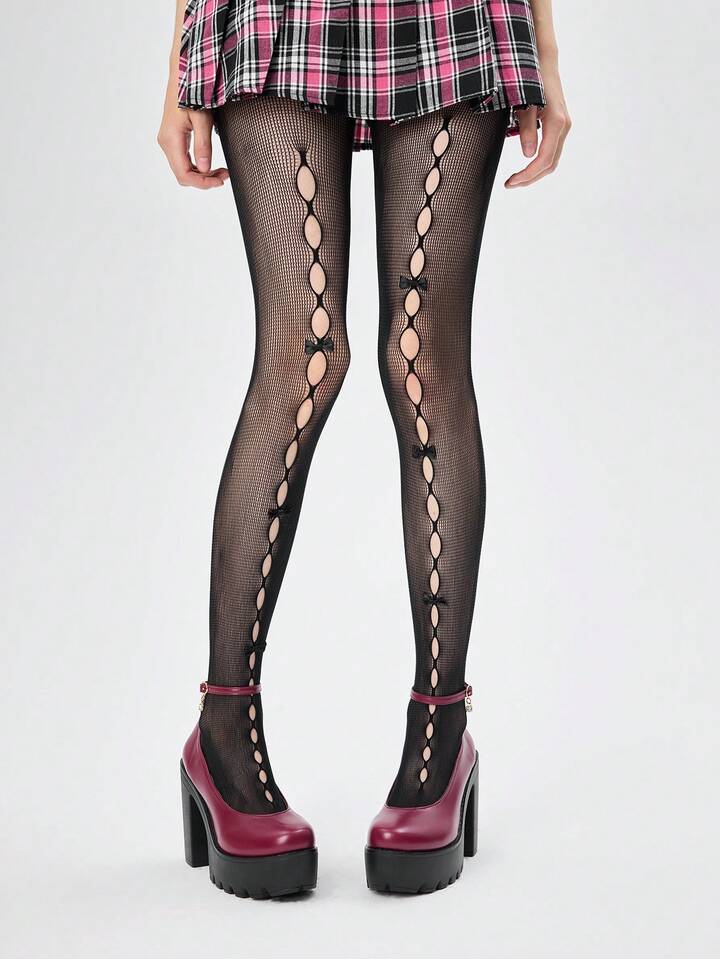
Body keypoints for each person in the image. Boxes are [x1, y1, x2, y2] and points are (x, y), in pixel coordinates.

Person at [158, 0, 570, 898]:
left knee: (424, 360)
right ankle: (222, 736)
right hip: (278, 15)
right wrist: (182, 58)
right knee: (304, 354)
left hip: (451, 15)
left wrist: (542, 51)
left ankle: (440, 740)